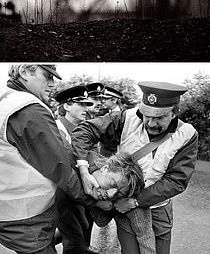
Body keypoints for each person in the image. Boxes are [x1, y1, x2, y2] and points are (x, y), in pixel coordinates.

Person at [0, 64, 106, 254]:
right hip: (23, 218)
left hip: (6, 209)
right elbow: (59, 168)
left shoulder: (8, 97)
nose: (53, 84)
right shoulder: (29, 109)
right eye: (47, 76)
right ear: (25, 72)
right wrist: (97, 201)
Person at [72, 81, 198, 254]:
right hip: (123, 205)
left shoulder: (187, 134)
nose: (151, 123)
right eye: (147, 115)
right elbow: (84, 131)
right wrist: (84, 169)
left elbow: (177, 180)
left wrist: (137, 201)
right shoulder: (125, 118)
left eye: (160, 117)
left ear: (175, 112)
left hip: (157, 208)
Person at [54, 86, 97, 254]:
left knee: (82, 226)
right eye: (81, 104)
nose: (86, 109)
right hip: (60, 193)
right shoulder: (58, 129)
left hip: (74, 192)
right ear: (66, 106)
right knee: (74, 236)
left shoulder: (84, 129)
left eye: (87, 105)